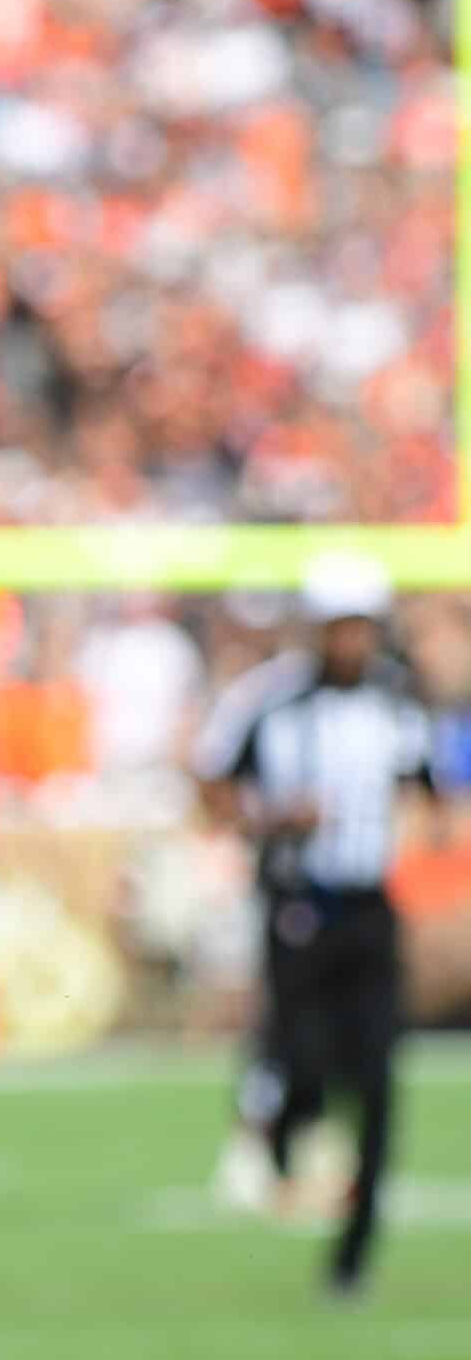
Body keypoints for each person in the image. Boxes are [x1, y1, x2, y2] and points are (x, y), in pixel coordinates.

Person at [192, 552, 444, 1297]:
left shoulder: (398, 704)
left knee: (377, 1083)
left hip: (369, 909)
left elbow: (428, 790)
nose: (351, 643)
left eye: (361, 627)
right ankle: (277, 1121)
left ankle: (354, 1251)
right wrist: (272, 820)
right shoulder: (268, 704)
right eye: (339, 627)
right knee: (300, 1060)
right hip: (299, 905)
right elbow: (213, 786)